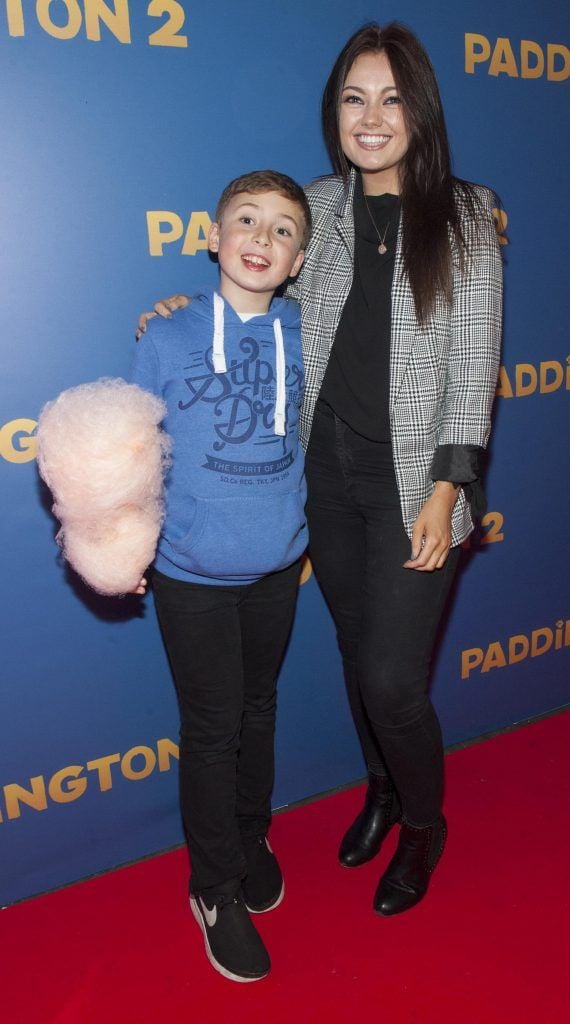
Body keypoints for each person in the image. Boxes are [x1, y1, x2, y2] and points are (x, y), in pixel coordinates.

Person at [138, 23, 502, 919]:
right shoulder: (316, 208)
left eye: (391, 97)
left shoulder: (467, 214)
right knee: (351, 648)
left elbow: (474, 366)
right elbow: (252, 284)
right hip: (324, 483)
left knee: (391, 678)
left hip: (419, 487)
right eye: (353, 97)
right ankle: (379, 788)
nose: (371, 117)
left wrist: (448, 488)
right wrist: (185, 308)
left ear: (420, 108)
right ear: (333, 111)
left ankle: (424, 822)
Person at [131, 169, 311, 982]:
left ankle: (250, 832)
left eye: (282, 230)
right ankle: (215, 887)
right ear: (211, 236)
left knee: (261, 709)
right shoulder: (165, 336)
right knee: (213, 728)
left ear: (299, 258)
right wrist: (123, 544)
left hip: (277, 565)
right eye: (246, 220)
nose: (261, 239)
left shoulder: (308, 332)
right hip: (191, 574)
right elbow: (134, 450)